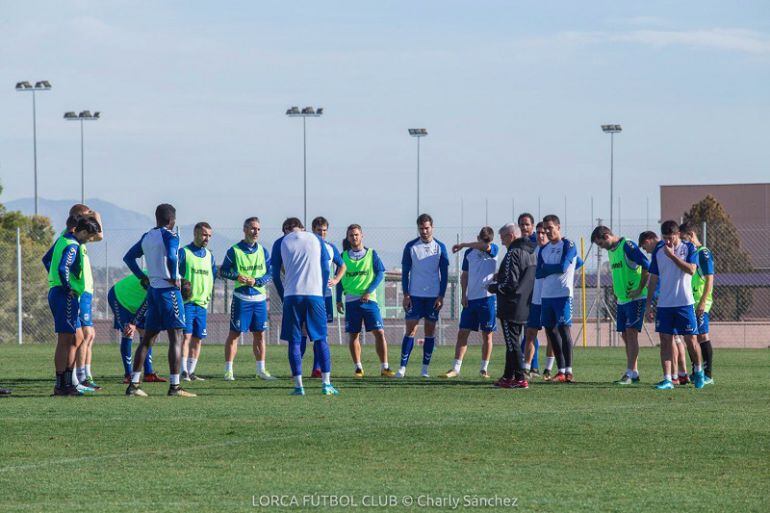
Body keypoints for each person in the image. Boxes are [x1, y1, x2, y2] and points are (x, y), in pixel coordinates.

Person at [123, 203, 194, 397]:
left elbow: (129, 258)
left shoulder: (147, 237)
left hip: (153, 291)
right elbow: (172, 255)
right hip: (168, 290)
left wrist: (142, 277)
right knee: (176, 337)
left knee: (147, 339)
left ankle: (134, 385)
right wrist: (175, 277)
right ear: (172, 220)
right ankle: (175, 387)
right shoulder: (170, 235)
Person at [271, 217, 339, 396]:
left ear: (286, 230)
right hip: (315, 295)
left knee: (294, 340)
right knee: (321, 339)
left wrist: (283, 294)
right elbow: (326, 267)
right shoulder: (315, 239)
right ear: (302, 228)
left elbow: (275, 274)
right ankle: (326, 384)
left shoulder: (280, 242)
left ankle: (298, 386)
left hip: (292, 296)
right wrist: (322, 289)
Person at [644, 220, 706, 390]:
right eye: (665, 238)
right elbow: (654, 278)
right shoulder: (658, 250)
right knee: (665, 340)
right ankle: (667, 379)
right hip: (665, 304)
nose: (668, 242)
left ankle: (699, 371)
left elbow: (692, 270)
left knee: (691, 340)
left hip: (684, 303)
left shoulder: (689, 248)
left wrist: (672, 255)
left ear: (678, 234)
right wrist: (649, 304)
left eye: (670, 238)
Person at [44, 215, 102, 396]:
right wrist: (68, 287)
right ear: (83, 232)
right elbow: (63, 267)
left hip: (61, 294)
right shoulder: (73, 245)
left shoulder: (65, 239)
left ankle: (68, 382)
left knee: (76, 338)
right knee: (65, 340)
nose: (90, 240)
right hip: (64, 295)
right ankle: (62, 385)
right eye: (90, 236)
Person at [591, 225, 650, 384]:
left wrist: (639, 289)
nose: (601, 248)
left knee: (631, 333)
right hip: (622, 300)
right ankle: (634, 372)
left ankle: (630, 373)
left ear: (606, 236)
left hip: (635, 299)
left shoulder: (628, 246)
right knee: (625, 335)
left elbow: (646, 264)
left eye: (600, 244)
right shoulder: (611, 251)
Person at [220, 217, 275, 381]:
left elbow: (270, 274)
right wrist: (237, 276)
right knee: (234, 334)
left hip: (259, 300)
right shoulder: (234, 250)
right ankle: (228, 370)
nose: (255, 232)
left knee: (259, 335)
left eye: (258, 229)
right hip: (241, 299)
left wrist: (257, 281)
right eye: (252, 228)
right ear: (244, 230)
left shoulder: (263, 251)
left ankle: (261, 370)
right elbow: (223, 271)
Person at [335, 224, 394, 377]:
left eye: (356, 235)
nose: (354, 238)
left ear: (362, 236)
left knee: (379, 332)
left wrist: (369, 291)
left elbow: (381, 272)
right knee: (354, 335)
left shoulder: (371, 254)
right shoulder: (343, 256)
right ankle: (358, 367)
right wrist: (338, 299)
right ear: (347, 238)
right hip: (351, 300)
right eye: (351, 235)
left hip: (369, 300)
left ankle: (384, 367)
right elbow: (339, 278)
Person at [440, 226, 499, 379]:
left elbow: (485, 246)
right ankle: (456, 368)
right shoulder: (469, 253)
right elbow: (464, 276)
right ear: (477, 237)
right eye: (482, 239)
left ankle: (484, 368)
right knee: (462, 333)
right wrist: (464, 295)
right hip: (471, 300)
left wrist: (463, 244)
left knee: (487, 335)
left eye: (487, 241)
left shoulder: (494, 249)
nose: (484, 243)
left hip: (487, 299)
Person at [397, 214, 449, 378]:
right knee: (410, 331)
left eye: (427, 228)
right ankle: (402, 368)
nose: (424, 231)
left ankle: (424, 369)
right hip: (415, 296)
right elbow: (405, 273)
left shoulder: (440, 247)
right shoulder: (411, 247)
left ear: (432, 227)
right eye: (421, 228)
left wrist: (441, 295)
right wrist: (406, 294)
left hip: (433, 297)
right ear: (418, 228)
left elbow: (445, 273)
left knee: (429, 332)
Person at [488, 223, 536, 389]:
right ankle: (508, 377)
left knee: (512, 343)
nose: (502, 243)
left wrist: (494, 287)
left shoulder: (513, 254)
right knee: (513, 342)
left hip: (511, 305)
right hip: (524, 304)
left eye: (503, 239)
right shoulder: (531, 253)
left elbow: (510, 284)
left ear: (511, 236)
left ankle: (521, 378)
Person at [536, 215, 580, 383]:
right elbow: (538, 273)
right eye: (545, 228)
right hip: (546, 295)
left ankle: (569, 370)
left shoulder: (568, 244)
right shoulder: (544, 249)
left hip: (562, 295)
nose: (547, 231)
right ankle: (560, 370)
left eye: (550, 228)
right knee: (550, 331)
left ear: (558, 227)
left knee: (563, 329)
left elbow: (563, 267)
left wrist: (548, 268)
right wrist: (549, 269)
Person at [304, 216, 346, 378]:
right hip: (307, 294)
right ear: (312, 230)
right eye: (318, 230)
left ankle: (317, 368)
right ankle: (297, 368)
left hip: (325, 296)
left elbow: (342, 265)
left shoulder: (330, 248)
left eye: (324, 231)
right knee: (303, 331)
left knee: (322, 332)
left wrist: (335, 280)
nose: (322, 233)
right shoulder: (306, 246)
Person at [108, 271, 163, 383]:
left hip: (136, 303)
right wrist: (133, 323)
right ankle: (128, 375)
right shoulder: (158, 279)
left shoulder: (169, 278)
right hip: (120, 299)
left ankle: (148, 374)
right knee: (128, 331)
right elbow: (146, 303)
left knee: (146, 333)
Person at [179, 222, 217, 381]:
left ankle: (191, 372)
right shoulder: (184, 252)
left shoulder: (210, 256)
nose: (206, 238)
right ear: (195, 234)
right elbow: (175, 274)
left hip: (202, 304)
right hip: (187, 303)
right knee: (186, 337)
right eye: (204, 235)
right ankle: (183, 371)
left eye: (209, 235)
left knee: (198, 338)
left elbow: (212, 277)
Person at [680, 222, 715, 384]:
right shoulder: (691, 253)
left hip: (701, 302)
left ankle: (707, 375)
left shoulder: (703, 253)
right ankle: (696, 370)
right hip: (690, 302)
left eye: (684, 239)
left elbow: (709, 280)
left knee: (702, 336)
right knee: (690, 338)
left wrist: (702, 302)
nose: (683, 243)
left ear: (692, 235)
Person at [522, 222, 552, 379]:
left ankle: (548, 369)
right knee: (530, 333)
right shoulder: (533, 250)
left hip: (551, 298)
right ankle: (527, 368)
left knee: (550, 334)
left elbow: (577, 263)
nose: (541, 235)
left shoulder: (554, 249)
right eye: (539, 232)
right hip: (534, 299)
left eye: (544, 233)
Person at [517, 213, 540, 374]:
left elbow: (577, 262)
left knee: (531, 330)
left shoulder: (538, 242)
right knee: (526, 330)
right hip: (522, 292)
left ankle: (535, 366)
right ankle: (527, 365)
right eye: (522, 225)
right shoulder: (517, 244)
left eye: (527, 224)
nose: (524, 227)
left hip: (537, 292)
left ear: (532, 226)